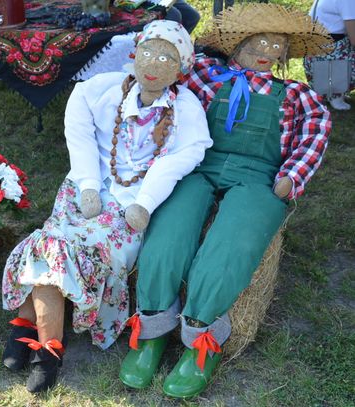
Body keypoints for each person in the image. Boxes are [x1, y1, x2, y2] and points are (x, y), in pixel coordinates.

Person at [119, 3, 332, 399]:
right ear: (237, 45)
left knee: (232, 244)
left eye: (277, 45)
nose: (267, 49)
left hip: (259, 176)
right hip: (199, 161)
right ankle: (151, 331)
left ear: (286, 54)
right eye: (258, 42)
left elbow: (317, 130)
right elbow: (163, 79)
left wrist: (292, 176)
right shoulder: (204, 74)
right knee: (169, 231)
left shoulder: (297, 94)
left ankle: (201, 341)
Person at [0, 20, 212, 393]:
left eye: (167, 57)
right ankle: (42, 342)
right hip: (87, 191)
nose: (154, 63)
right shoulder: (103, 90)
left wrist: (145, 203)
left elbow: (182, 157)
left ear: (180, 69)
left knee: (59, 248)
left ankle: (36, 338)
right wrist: (87, 183)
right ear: (135, 52)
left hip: (129, 209)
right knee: (54, 240)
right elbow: (78, 127)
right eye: (148, 51)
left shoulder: (185, 110)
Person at [304, 0, 355, 110]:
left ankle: (326, 92)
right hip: (331, 47)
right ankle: (335, 95)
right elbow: (353, 33)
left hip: (314, 46)